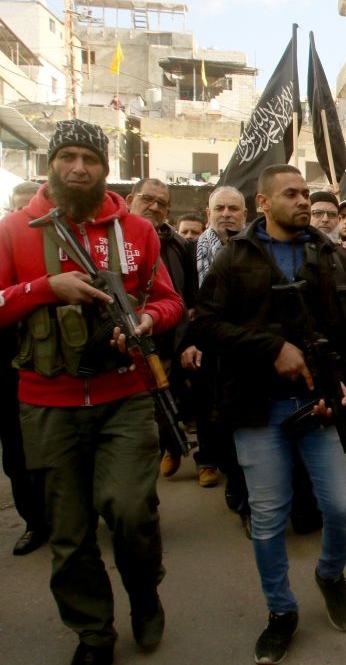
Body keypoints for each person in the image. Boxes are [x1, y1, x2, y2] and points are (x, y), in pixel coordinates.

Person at [0, 119, 184, 665]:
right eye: (67, 157)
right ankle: (93, 633)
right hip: (46, 400)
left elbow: (171, 301)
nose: (77, 168)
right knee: (70, 532)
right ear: (51, 163)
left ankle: (145, 591)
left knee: (131, 511)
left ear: (106, 169)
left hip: (124, 394)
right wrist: (42, 289)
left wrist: (148, 320)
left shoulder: (138, 231)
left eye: (89, 159)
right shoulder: (15, 230)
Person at [191, 164, 346, 665]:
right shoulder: (235, 257)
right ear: (264, 202)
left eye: (305, 194)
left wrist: (341, 380)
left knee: (344, 508)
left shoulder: (331, 254)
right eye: (290, 194)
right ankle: (281, 611)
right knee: (268, 519)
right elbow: (204, 325)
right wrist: (271, 348)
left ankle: (330, 575)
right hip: (258, 408)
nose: (303, 201)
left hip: (321, 406)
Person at [125, 179, 205, 485]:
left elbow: (186, 295)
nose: (155, 207)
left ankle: (173, 447)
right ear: (132, 198)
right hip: (123, 346)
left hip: (169, 339)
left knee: (168, 402)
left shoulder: (177, 244)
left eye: (162, 203)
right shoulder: (113, 237)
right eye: (148, 200)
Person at [182, 185, 249, 521]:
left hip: (246, 348)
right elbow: (185, 304)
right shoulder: (190, 252)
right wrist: (190, 341)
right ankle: (213, 462)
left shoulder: (255, 251)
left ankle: (239, 479)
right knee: (211, 410)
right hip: (206, 345)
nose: (226, 214)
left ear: (245, 215)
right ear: (208, 214)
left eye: (233, 209)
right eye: (219, 208)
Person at [0, 180, 47, 556]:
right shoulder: (6, 242)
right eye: (16, 207)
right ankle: (35, 522)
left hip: (48, 367)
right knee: (17, 456)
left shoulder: (49, 247)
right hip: (7, 371)